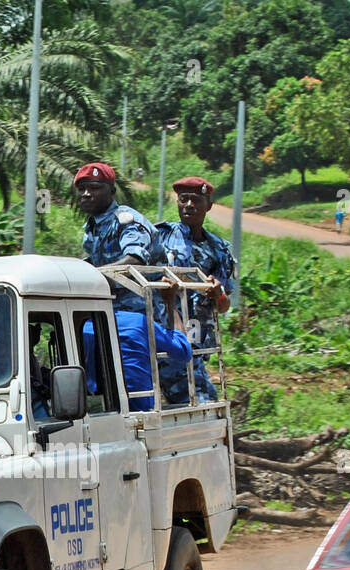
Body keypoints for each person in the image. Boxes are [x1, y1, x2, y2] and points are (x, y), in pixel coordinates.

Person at [155, 176, 235, 404]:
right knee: (198, 402)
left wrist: (217, 293)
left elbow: (224, 306)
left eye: (196, 200)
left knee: (199, 401)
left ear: (208, 205)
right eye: (184, 200)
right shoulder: (159, 237)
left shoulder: (219, 249)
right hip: (163, 334)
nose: (189, 205)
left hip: (196, 339)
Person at [80, 281, 192, 411]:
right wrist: (169, 302)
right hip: (139, 408)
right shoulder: (139, 322)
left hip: (95, 409)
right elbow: (183, 350)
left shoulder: (81, 326)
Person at [74, 161, 163, 316]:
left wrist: (95, 276)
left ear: (112, 191)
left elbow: (136, 259)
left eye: (94, 188)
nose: (86, 194)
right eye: (82, 189)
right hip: (110, 308)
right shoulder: (93, 226)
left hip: (141, 311)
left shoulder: (126, 220)